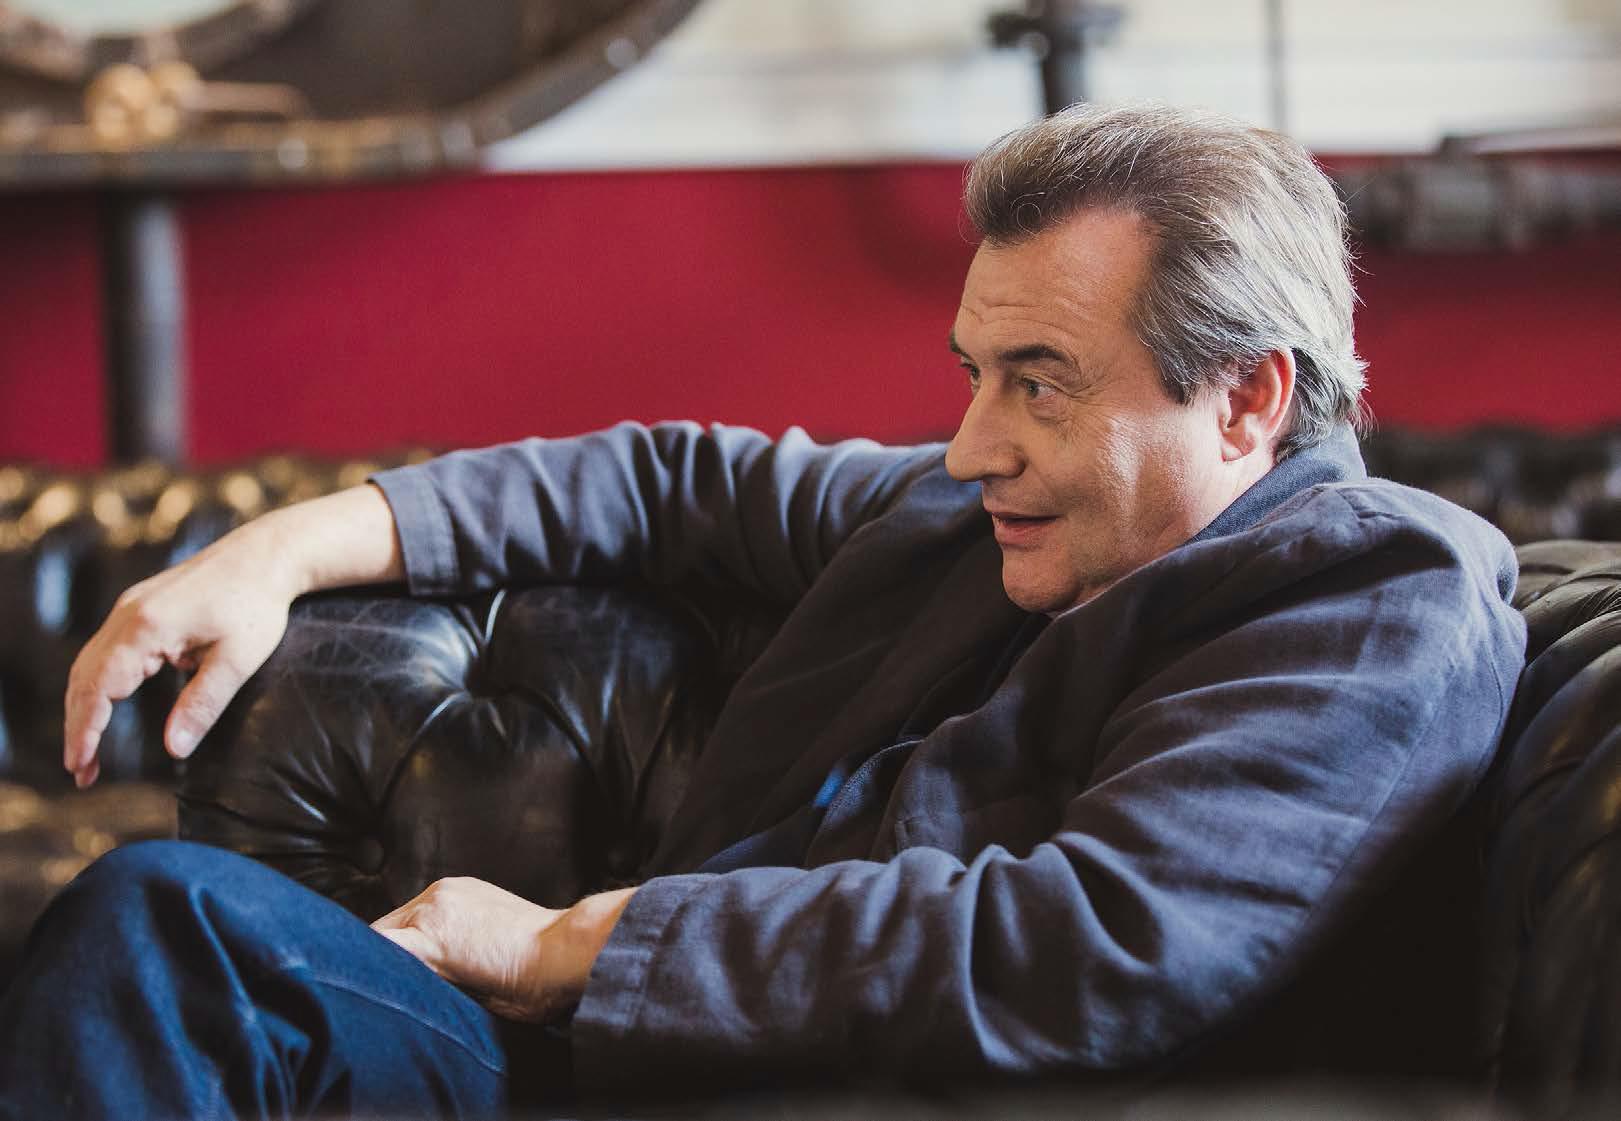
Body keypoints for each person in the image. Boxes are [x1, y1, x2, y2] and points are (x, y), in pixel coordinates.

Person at [0, 102, 1526, 1118]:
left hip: (816, 1088)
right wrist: (276, 550)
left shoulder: (1372, 589)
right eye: (973, 375)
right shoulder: (976, 520)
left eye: (1039, 384)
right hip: (635, 1074)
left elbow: (1092, 940)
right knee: (169, 925)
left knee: (163, 931)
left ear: (1246, 398)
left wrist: (577, 943)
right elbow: (665, 480)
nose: (970, 444)